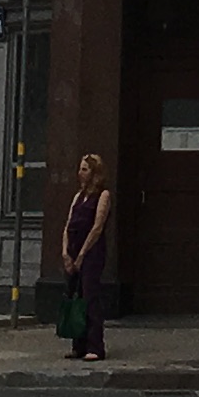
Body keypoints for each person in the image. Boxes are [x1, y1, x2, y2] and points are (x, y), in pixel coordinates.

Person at [60, 151, 113, 364]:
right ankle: (78, 344)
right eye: (80, 169)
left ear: (95, 172)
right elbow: (68, 224)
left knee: (90, 296)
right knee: (75, 296)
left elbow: (97, 227)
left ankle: (95, 346)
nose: (80, 173)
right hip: (73, 249)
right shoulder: (77, 196)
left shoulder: (103, 196)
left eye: (84, 169)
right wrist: (65, 252)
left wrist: (82, 254)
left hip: (91, 252)